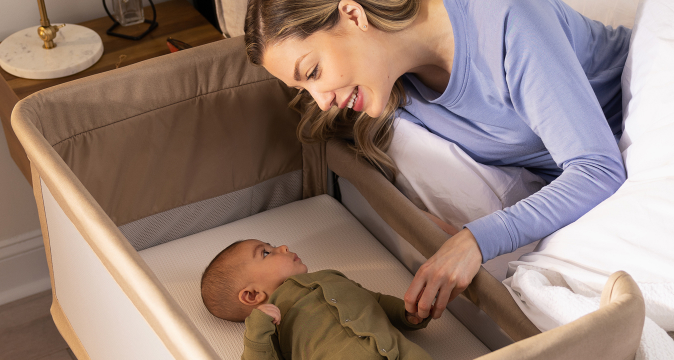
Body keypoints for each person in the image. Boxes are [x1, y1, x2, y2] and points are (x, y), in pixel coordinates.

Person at [243, 0, 629, 322]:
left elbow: (597, 168)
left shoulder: (504, 19)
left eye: (312, 72)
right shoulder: (397, 86)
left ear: (353, 14)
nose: (321, 99)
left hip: (634, 140)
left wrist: (474, 240)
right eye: (304, 88)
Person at [200, 239, 433, 359]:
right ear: (252, 295)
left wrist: (406, 313)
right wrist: (257, 330)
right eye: (266, 252)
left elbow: (376, 302)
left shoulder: (329, 277)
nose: (282, 246)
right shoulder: (270, 327)